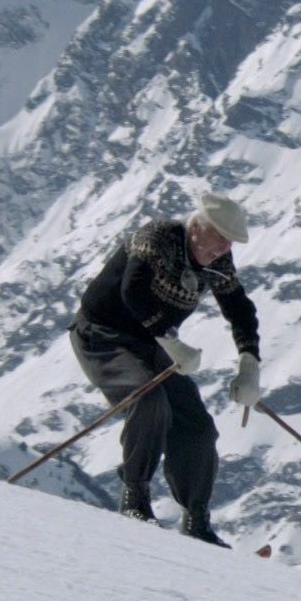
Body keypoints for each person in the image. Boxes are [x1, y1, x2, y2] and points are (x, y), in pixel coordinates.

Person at [68, 193, 262, 548]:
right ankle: (135, 496)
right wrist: (169, 339)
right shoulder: (157, 237)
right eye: (219, 237)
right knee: (149, 399)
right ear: (198, 226)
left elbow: (239, 309)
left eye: (229, 242)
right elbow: (133, 291)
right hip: (104, 336)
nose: (222, 248)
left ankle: (196, 520)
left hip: (154, 344)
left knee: (198, 428)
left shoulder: (218, 262)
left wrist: (250, 362)